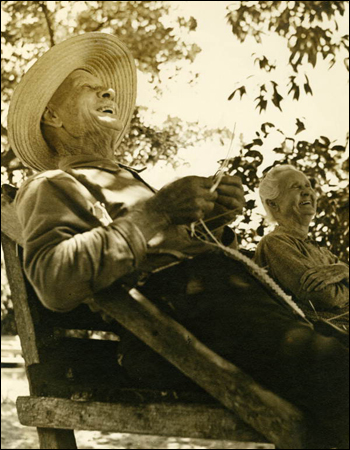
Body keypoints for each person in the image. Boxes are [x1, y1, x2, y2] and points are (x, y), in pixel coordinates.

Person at [8, 33, 349, 447]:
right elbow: (53, 280)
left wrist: (213, 221)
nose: (107, 89)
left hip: (225, 319)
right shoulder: (53, 184)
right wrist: (159, 211)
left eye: (105, 85)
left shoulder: (125, 180)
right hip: (179, 341)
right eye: (87, 87)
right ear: (54, 118)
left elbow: (163, 250)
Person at [255, 165, 349, 329]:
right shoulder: (274, 243)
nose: (307, 192)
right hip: (326, 340)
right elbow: (326, 297)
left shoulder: (318, 249)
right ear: (273, 204)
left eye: (308, 186)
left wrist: (345, 271)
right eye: (295, 187)